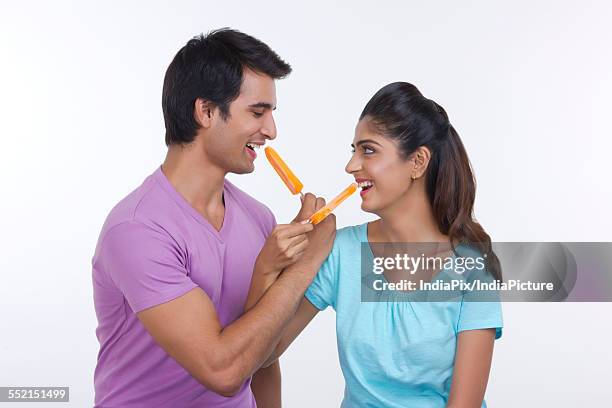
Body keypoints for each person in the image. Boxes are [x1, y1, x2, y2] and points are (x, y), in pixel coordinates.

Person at [91, 28, 335, 407]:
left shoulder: (258, 218)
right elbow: (223, 372)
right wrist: (307, 263)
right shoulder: (138, 230)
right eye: (258, 112)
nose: (271, 130)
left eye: (271, 113)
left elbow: (262, 356)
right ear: (205, 111)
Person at [262, 82, 504, 407]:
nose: (351, 166)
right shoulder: (340, 251)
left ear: (418, 162)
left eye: (368, 150)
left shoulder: (471, 267)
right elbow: (263, 353)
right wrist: (279, 265)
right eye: (354, 150)